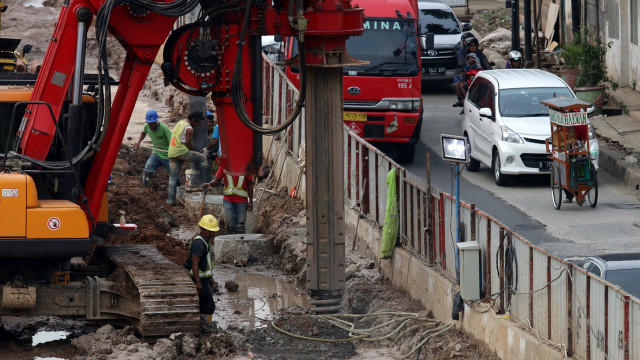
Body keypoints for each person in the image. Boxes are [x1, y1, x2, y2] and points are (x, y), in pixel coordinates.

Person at [167, 111, 209, 206]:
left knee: (172, 177)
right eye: (198, 123)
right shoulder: (189, 129)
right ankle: (206, 182)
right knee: (203, 158)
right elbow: (189, 144)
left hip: (172, 152)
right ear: (193, 120)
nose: (198, 125)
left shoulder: (180, 122)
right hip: (181, 152)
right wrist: (196, 152)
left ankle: (170, 200)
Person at [185, 214, 218, 321]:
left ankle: (203, 323)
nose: (212, 233)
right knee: (208, 306)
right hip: (198, 279)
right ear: (202, 229)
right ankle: (205, 325)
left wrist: (211, 279)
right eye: (209, 231)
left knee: (205, 304)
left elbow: (206, 264)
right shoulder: (199, 244)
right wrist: (198, 283)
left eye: (213, 231)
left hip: (204, 279)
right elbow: (195, 264)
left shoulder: (205, 242)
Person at [204, 166, 254, 233]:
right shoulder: (223, 165)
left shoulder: (246, 165)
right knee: (229, 226)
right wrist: (209, 184)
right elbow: (217, 180)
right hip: (228, 200)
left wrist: (251, 201)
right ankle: (231, 241)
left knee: (240, 227)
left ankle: (238, 242)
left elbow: (250, 184)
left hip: (242, 201)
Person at [134, 109, 172, 187]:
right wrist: (138, 142)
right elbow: (143, 132)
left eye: (153, 123)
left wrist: (173, 152)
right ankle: (145, 189)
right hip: (156, 154)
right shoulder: (146, 126)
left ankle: (177, 189)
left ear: (157, 121)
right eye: (149, 123)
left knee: (174, 175)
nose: (151, 125)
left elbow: (172, 140)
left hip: (167, 156)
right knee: (146, 171)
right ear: (147, 122)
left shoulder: (164, 128)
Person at [452, 37, 492, 107]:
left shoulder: (480, 55)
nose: (473, 47)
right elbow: (460, 67)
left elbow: (487, 65)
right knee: (457, 83)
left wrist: (489, 71)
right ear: (467, 46)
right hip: (466, 75)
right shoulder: (464, 55)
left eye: (474, 45)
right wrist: (462, 71)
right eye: (471, 45)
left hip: (479, 75)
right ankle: (461, 100)